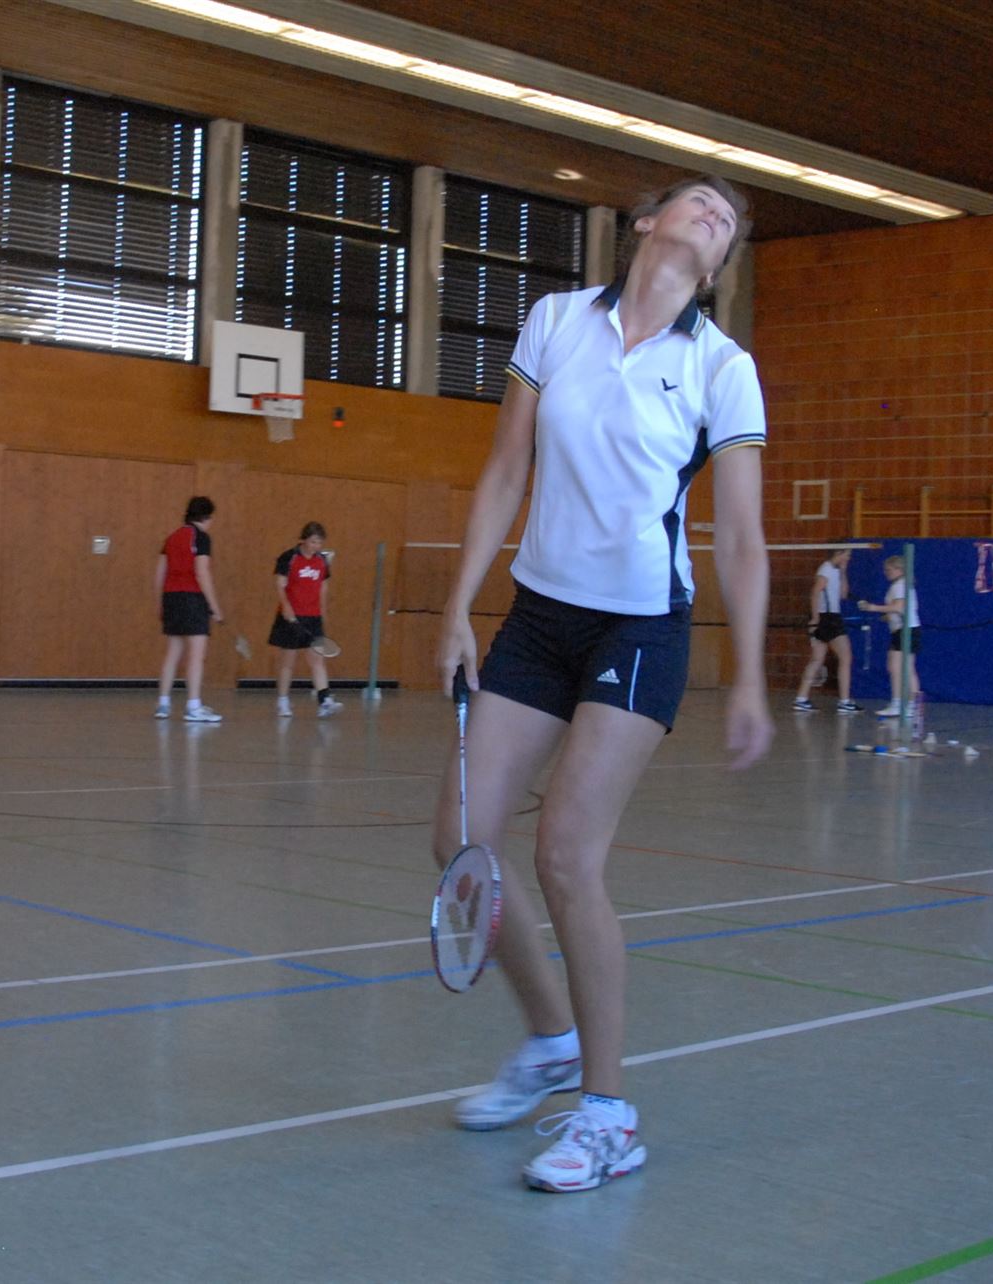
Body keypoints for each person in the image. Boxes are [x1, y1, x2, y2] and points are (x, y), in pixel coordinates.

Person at [434, 175, 772, 1193]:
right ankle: (550, 1039)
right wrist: (459, 604)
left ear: (721, 264)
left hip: (640, 625)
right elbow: (507, 469)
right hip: (539, 617)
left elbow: (742, 536)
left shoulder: (723, 368)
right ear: (646, 223)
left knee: (566, 857)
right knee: (459, 839)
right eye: (700, 202)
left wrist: (750, 675)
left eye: (728, 222)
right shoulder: (555, 321)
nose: (714, 216)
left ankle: (609, 1114)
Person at [155, 496, 226, 723]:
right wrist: (215, 607)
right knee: (196, 655)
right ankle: (193, 706)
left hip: (171, 598)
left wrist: (161, 603)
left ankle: (163, 704)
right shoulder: (201, 537)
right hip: (193, 599)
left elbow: (160, 573)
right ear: (206, 517)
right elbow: (202, 572)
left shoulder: (171, 537)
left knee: (173, 652)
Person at [268, 521, 341, 718]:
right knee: (288, 661)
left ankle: (324, 701)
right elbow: (280, 585)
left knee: (317, 659)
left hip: (313, 617)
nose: (316, 546)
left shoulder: (322, 561)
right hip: (291, 617)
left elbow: (323, 587)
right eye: (313, 542)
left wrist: (322, 611)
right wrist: (286, 606)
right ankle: (283, 701)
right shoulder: (289, 557)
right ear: (303, 540)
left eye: (320, 542)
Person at [792, 549, 858, 714]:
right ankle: (844, 701)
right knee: (846, 657)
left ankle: (801, 699)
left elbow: (843, 594)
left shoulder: (836, 570)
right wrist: (815, 618)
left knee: (817, 659)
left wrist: (843, 571)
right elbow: (815, 592)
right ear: (838, 553)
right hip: (827, 618)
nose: (849, 557)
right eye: (847, 554)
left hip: (830, 616)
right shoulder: (826, 569)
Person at [857, 554, 920, 718]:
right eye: (885, 570)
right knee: (901, 668)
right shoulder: (902, 585)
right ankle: (905, 704)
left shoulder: (900, 585)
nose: (886, 573)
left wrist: (872, 608)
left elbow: (898, 607)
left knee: (901, 668)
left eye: (889, 570)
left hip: (906, 630)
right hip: (905, 629)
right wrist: (886, 616)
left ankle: (905, 704)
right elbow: (901, 609)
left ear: (899, 570)